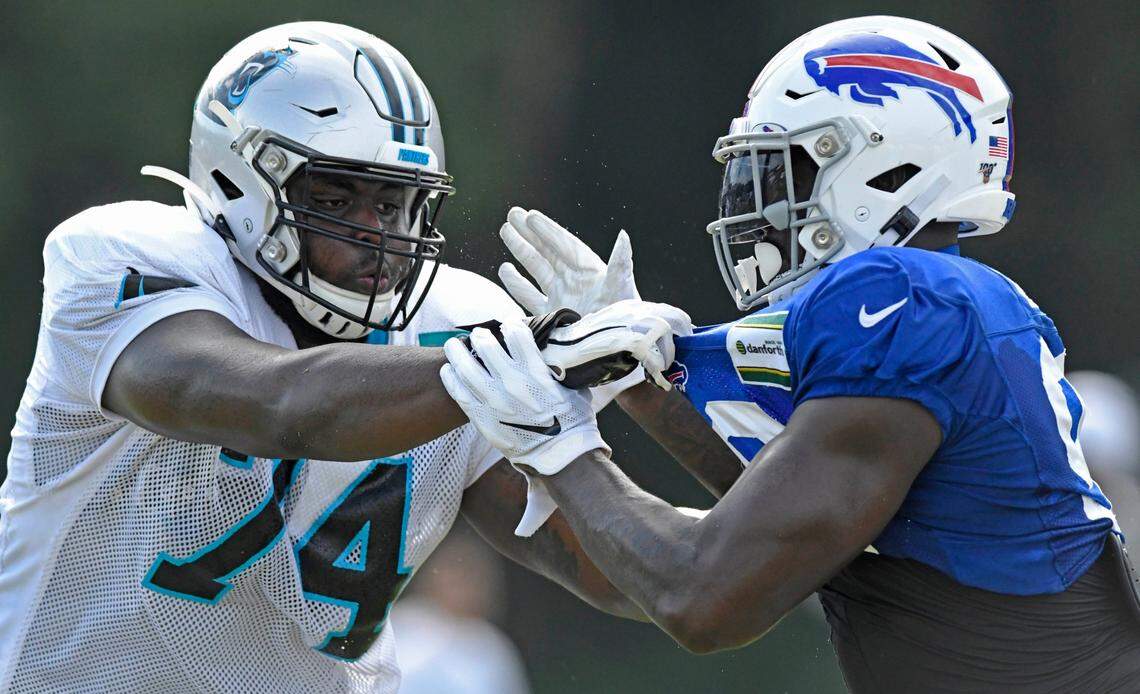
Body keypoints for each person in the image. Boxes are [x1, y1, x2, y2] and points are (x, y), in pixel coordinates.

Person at [440, 15, 1140, 692]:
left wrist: (562, 449)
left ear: (887, 169)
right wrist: (642, 384)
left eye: (792, 168)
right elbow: (776, 514)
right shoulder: (949, 304)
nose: (762, 202)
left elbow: (706, 597)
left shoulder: (901, 295)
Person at [0, 21, 659, 693]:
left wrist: (656, 391)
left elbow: (641, 579)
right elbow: (279, 401)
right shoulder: (123, 257)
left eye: (398, 204)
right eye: (338, 199)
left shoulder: (457, 327)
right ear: (239, 179)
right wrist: (517, 361)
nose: (379, 237)